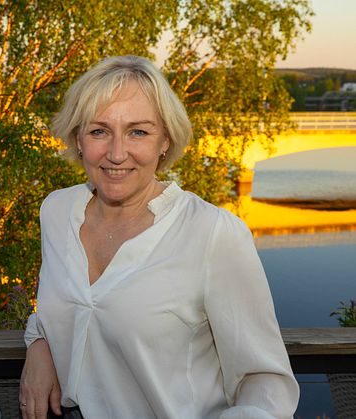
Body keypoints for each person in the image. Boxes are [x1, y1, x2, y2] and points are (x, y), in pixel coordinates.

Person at [19, 55, 299, 419]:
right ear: (78, 138)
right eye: (99, 131)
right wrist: (39, 343)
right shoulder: (56, 212)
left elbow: (265, 380)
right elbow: (66, 302)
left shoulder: (211, 234)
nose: (117, 153)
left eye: (138, 131)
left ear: (165, 140)